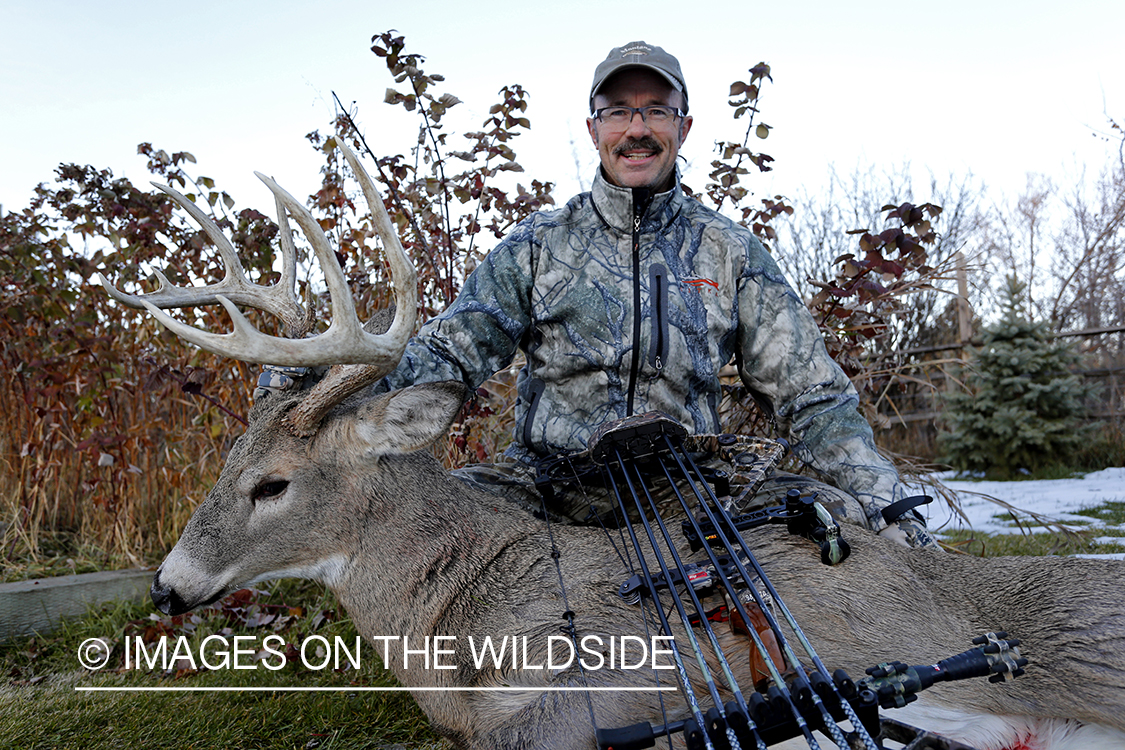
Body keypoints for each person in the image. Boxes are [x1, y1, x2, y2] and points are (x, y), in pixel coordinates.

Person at [263, 42, 937, 549]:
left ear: (683, 127)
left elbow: (810, 393)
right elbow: (447, 356)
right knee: (418, 528)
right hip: (545, 486)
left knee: (827, 522)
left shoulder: (728, 252)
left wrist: (881, 500)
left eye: (655, 111)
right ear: (593, 129)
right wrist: (318, 380)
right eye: (618, 111)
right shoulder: (537, 246)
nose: (636, 128)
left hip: (687, 490)